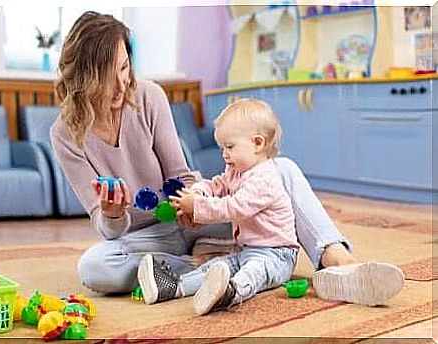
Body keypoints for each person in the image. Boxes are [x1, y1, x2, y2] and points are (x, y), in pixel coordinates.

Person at [50, 11, 404, 307]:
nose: (122, 82)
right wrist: (113, 213)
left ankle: (336, 263)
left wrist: (196, 203)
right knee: (95, 266)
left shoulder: (148, 96)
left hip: (199, 217)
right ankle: (203, 266)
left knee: (281, 171)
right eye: (108, 74)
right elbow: (107, 228)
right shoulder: (66, 134)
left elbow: (181, 175)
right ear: (83, 77)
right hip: (150, 238)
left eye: (125, 67)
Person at [138, 99, 299, 315]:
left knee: (254, 272)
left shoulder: (265, 178)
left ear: (258, 143)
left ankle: (230, 292)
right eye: (222, 147)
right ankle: (175, 287)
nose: (224, 154)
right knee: (216, 267)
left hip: (276, 254)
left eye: (230, 147)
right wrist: (197, 192)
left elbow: (234, 208)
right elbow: (216, 185)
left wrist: (197, 207)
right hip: (246, 249)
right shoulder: (236, 171)